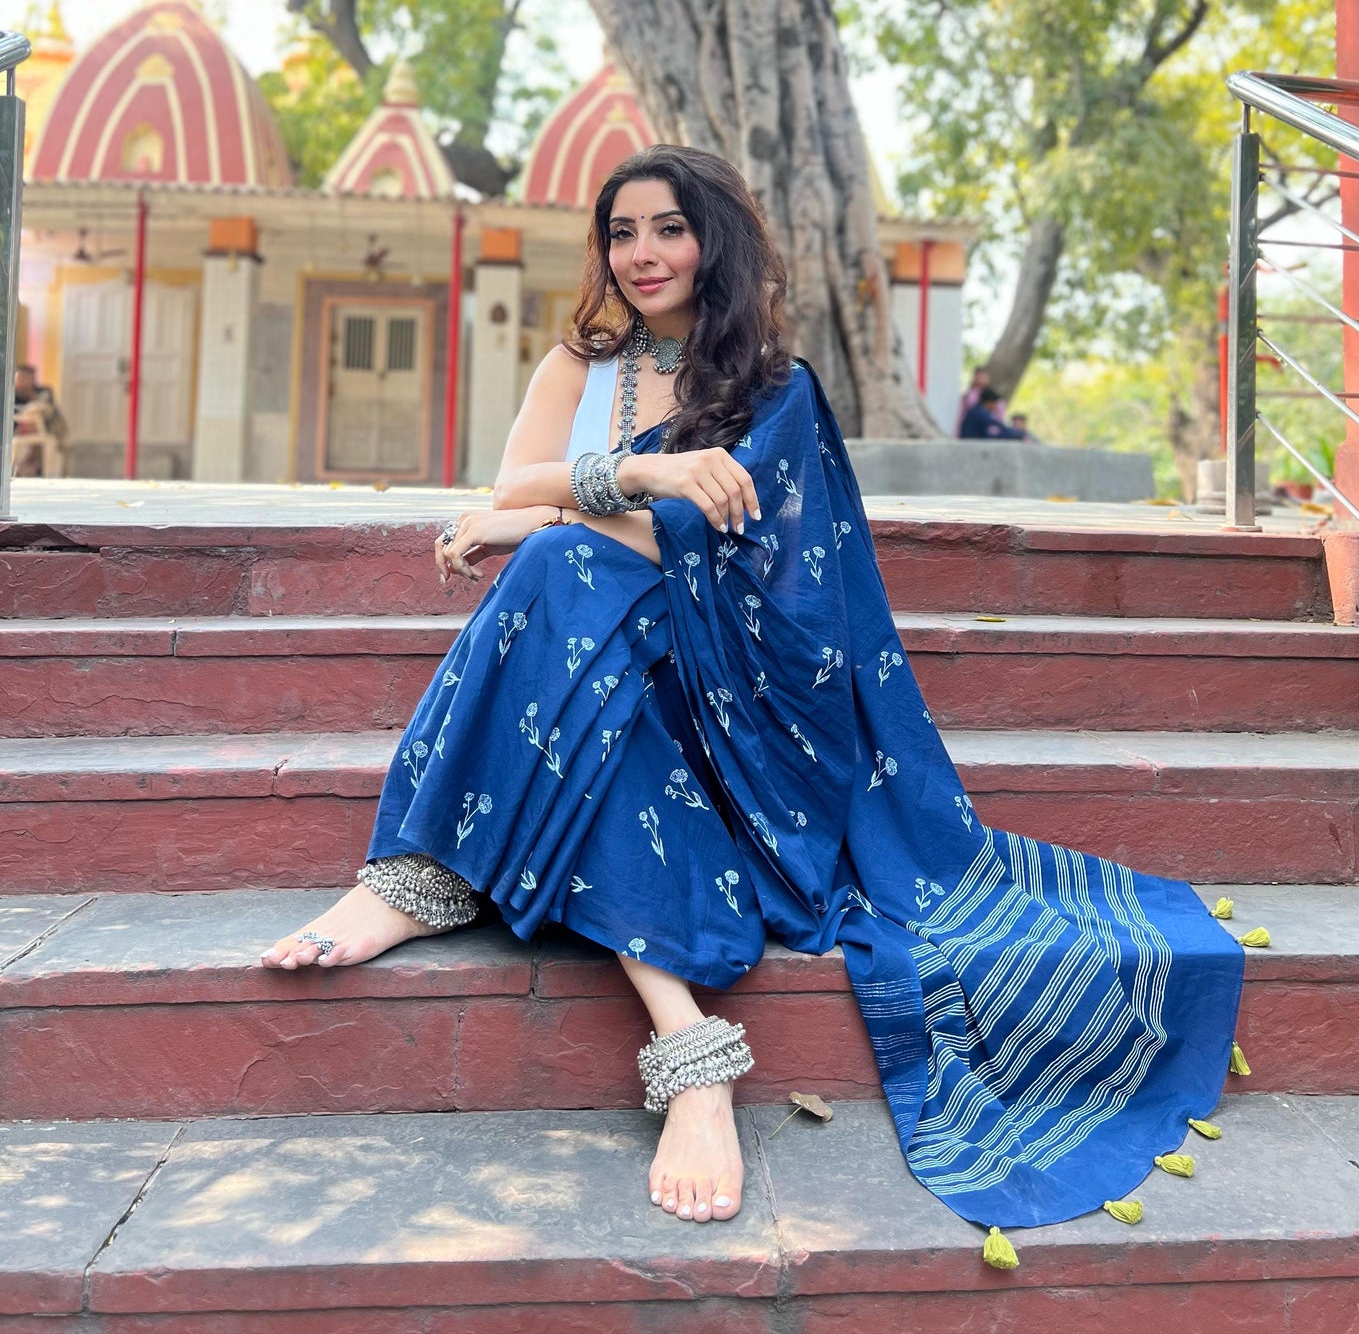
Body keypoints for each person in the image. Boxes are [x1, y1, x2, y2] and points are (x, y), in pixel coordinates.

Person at [262, 146, 1242, 1241]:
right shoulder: (576, 369)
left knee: (556, 566)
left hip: (733, 696)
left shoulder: (773, 395)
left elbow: (739, 575)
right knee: (563, 583)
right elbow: (518, 489)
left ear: (713, 242)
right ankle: (687, 1045)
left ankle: (425, 874)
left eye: (668, 228)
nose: (641, 254)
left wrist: (559, 515)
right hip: (598, 663)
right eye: (621, 232)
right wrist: (645, 474)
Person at [10, 364, 67, 477]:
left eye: (27, 378)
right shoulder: (11, 394)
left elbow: (48, 408)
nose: (23, 381)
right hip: (19, 429)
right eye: (21, 378)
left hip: (45, 427)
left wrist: (31, 395)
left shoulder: (43, 391)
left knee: (40, 410)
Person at [958, 386, 1027, 440]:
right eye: (996, 403)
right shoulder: (979, 413)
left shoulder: (980, 411)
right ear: (990, 403)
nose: (997, 406)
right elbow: (998, 425)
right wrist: (1018, 435)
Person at [954, 366, 989, 435]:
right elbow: (961, 414)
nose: (980, 380)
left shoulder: (992, 396)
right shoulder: (969, 395)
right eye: (978, 377)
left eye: (982, 378)